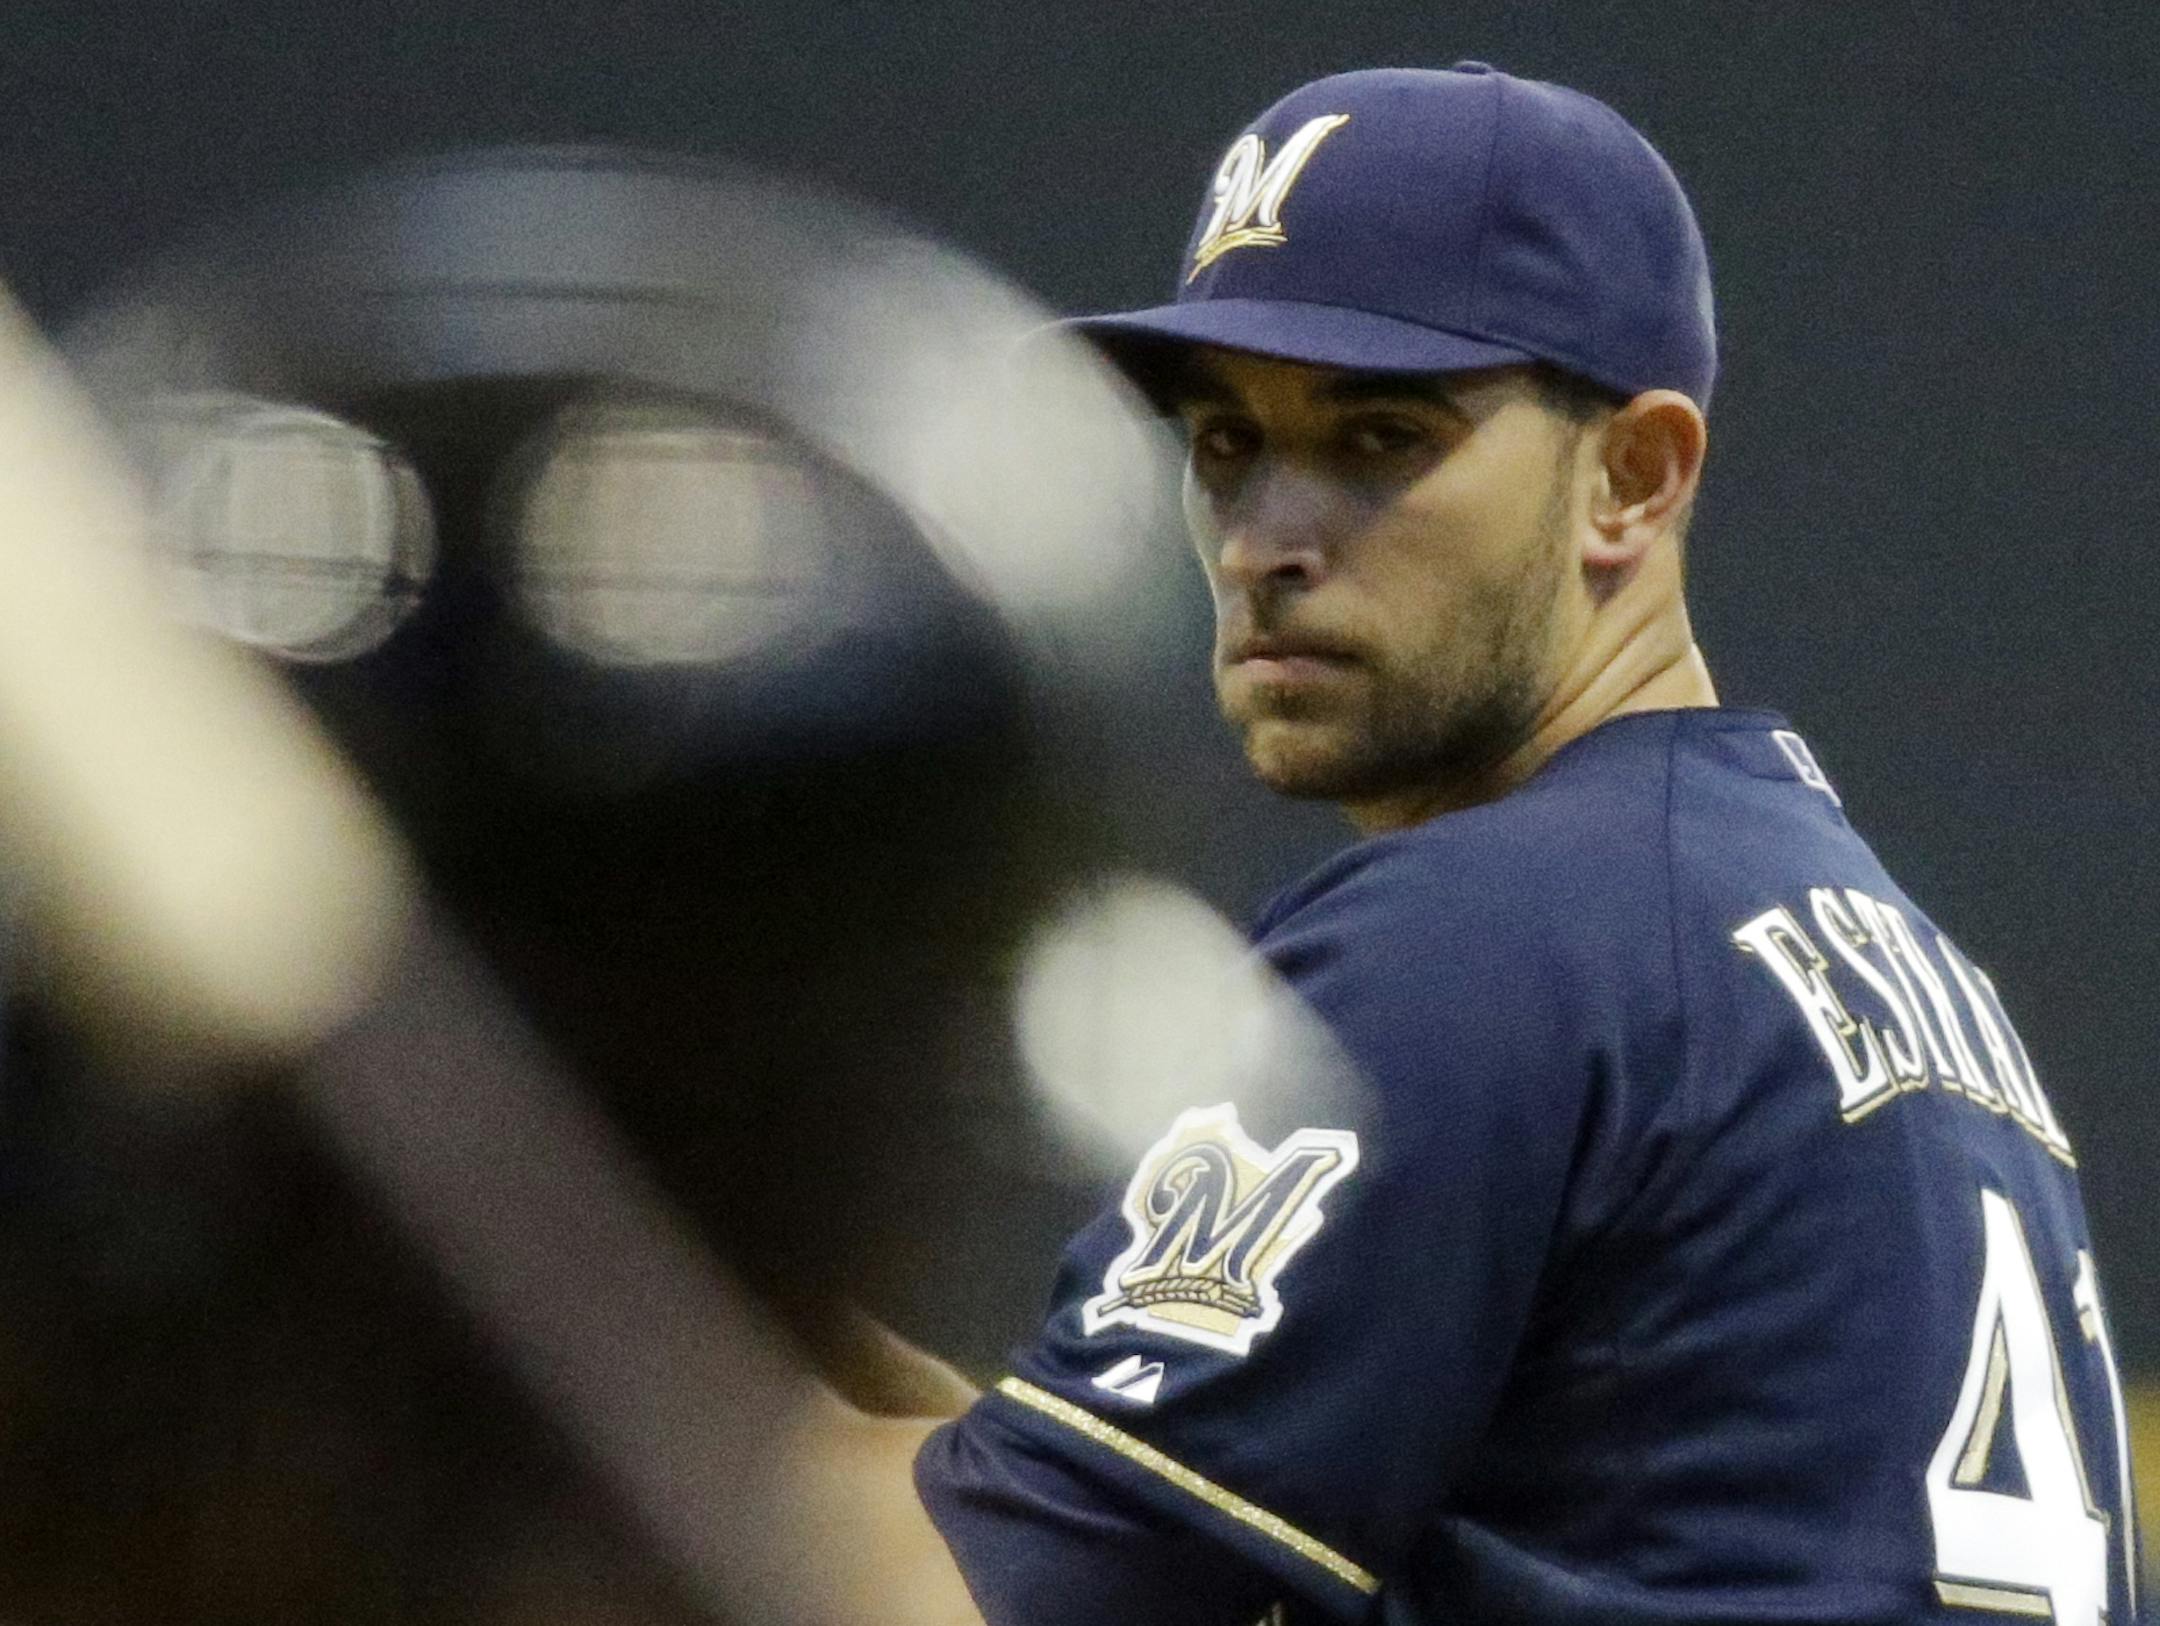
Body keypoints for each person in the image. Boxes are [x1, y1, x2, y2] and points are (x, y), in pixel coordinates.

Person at [783, 62, 2143, 1626]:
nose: (1266, 538)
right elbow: (1073, 1489)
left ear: (1630, 477)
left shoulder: (1485, 936)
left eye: (1377, 438)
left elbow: (944, 1596)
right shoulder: (1836, 940)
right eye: (1225, 443)